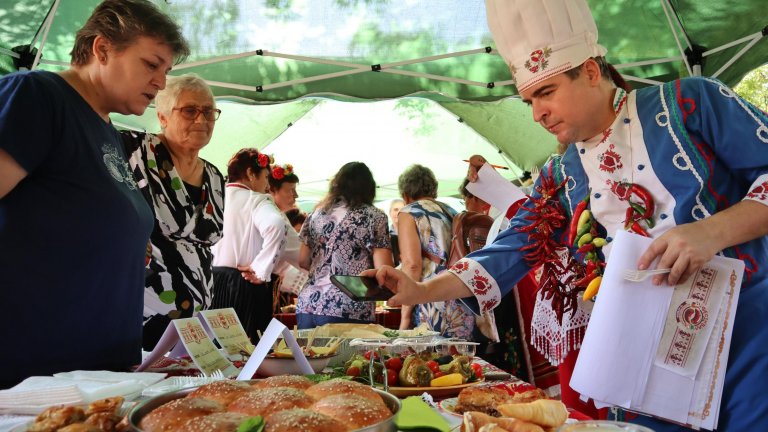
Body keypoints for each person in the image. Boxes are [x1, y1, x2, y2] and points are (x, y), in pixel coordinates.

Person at [364, 0, 768, 429]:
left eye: (546, 92)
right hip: (642, 357)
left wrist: (712, 231)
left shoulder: (690, 103)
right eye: (529, 100)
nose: (537, 114)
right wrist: (420, 289)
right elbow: (508, 250)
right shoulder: (560, 173)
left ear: (591, 72)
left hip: (746, 335)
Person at [0, 0, 188, 388]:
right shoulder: (37, 96)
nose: (161, 83)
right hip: (32, 376)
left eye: (166, 71)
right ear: (102, 49)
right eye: (151, 64)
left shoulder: (107, 131)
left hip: (97, 373)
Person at [122, 73, 225, 350]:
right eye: (190, 110)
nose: (201, 120)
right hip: (142, 317)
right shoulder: (134, 152)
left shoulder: (214, 176)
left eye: (208, 112)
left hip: (196, 322)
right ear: (163, 117)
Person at [211, 149, 300, 341]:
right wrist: (261, 268)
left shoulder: (215, 196)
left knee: (219, 348)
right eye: (266, 177)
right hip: (244, 284)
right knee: (248, 351)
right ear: (251, 174)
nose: (267, 185)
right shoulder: (256, 200)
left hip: (212, 282)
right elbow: (276, 225)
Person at [296, 162, 393, 328]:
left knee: (308, 354)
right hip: (349, 306)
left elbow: (303, 260)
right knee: (348, 355)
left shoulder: (316, 214)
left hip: (308, 304)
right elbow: (383, 270)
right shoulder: (374, 217)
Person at [396, 164, 476, 340]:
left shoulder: (409, 212)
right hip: (462, 292)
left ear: (405, 196)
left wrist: (405, 317)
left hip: (434, 299)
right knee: (460, 361)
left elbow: (412, 265)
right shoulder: (452, 211)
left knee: (433, 359)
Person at [388, 198, 404, 266]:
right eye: (396, 209)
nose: (398, 212)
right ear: (390, 213)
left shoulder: (414, 233)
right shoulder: (385, 234)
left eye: (402, 210)